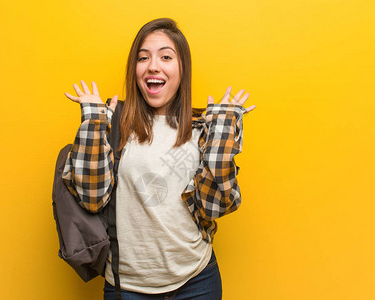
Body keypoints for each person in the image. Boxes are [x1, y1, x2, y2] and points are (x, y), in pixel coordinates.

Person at [62, 17, 256, 300]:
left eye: (166, 56)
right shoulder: (114, 122)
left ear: (182, 69)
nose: (154, 65)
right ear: (135, 69)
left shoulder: (202, 127)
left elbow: (213, 207)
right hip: (127, 287)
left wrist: (223, 133)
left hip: (197, 281)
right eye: (143, 58)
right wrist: (93, 124)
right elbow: (92, 197)